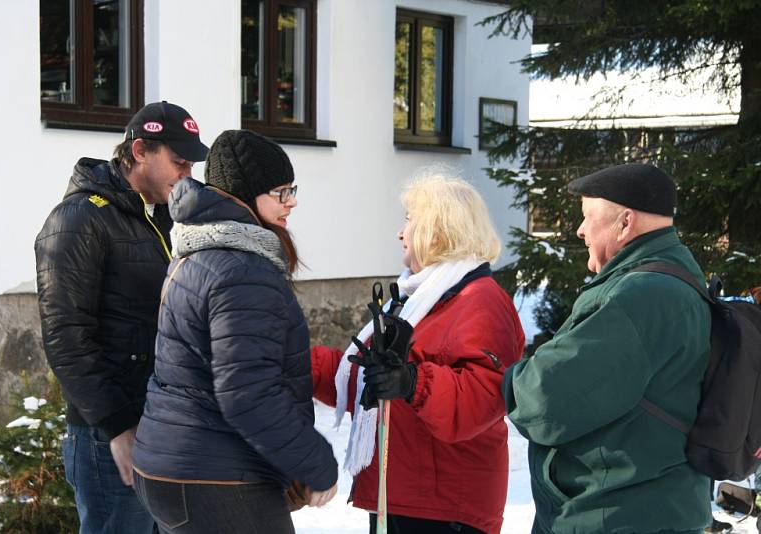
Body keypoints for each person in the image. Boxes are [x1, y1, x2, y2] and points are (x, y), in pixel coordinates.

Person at [131, 130, 338, 533]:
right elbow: (248, 393)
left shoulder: (199, 254)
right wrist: (315, 463)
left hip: (177, 466)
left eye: (291, 189)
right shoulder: (242, 270)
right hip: (215, 477)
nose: (291, 201)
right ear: (245, 195)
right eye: (280, 192)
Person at [311, 173, 525, 534]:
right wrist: (299, 363)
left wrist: (412, 381)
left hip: (447, 509)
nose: (401, 232)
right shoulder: (418, 299)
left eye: (410, 221)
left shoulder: (481, 300)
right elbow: (367, 379)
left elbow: (483, 397)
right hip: (403, 495)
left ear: (437, 232)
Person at [503, 163, 712, 533]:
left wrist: (509, 379)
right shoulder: (676, 275)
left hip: (618, 514)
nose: (580, 230)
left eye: (587, 217)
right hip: (649, 509)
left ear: (625, 222)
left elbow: (545, 400)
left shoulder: (641, 296)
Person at [35, 101, 208, 533]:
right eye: (179, 162)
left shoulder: (164, 220)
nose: (187, 174)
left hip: (164, 424)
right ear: (140, 151)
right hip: (109, 437)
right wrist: (117, 428)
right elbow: (65, 336)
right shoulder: (79, 218)